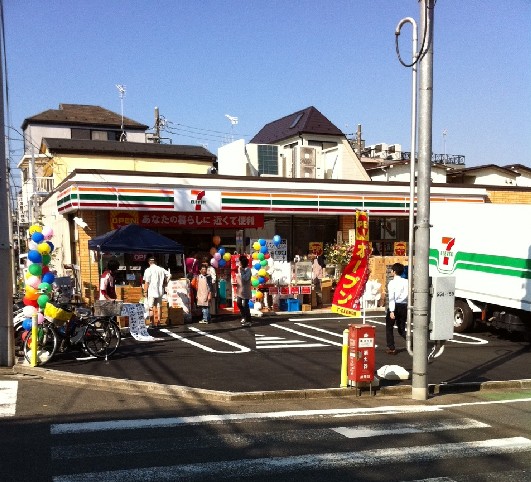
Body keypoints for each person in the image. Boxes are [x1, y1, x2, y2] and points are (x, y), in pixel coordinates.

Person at [385, 262, 408, 355]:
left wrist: (391, 311)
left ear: (394, 272)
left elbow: (392, 298)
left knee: (389, 327)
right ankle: (414, 343)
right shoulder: (406, 281)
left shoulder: (392, 283)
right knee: (401, 328)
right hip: (404, 306)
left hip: (395, 306)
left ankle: (391, 347)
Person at [143, 256, 170, 327]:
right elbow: (169, 275)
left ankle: (152, 323)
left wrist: (145, 292)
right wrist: (165, 283)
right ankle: (158, 322)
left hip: (151, 291)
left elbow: (147, 282)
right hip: (160, 290)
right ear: (155, 262)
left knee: (150, 307)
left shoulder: (148, 270)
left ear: (149, 262)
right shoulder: (161, 269)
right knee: (159, 306)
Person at [236, 255, 252, 327]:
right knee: (239, 303)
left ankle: (248, 320)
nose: (239, 263)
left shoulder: (248, 270)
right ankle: (243, 316)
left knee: (245, 305)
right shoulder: (239, 269)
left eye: (240, 261)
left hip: (246, 290)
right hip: (240, 290)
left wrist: (242, 271)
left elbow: (245, 278)